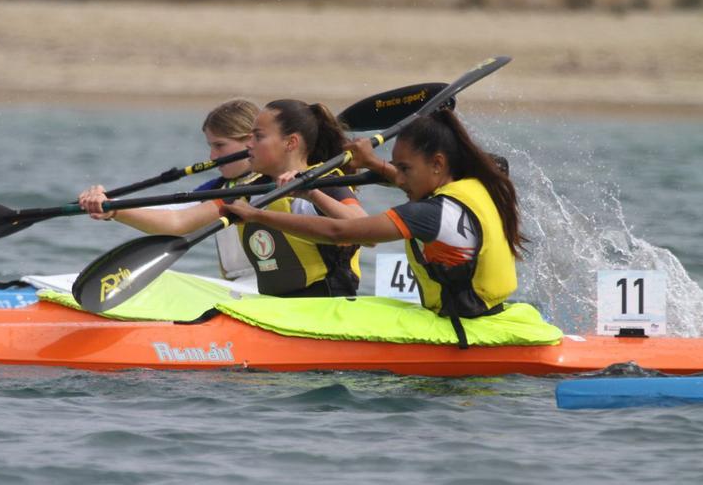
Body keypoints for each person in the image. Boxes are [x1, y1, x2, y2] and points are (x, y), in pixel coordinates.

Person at [221, 108, 525, 347]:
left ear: (438, 164)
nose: (399, 180)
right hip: (486, 316)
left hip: (463, 331)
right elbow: (418, 183)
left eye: (405, 169)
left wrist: (257, 216)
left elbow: (340, 232)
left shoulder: (429, 213)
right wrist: (370, 163)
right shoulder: (478, 184)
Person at [79, 99, 368, 297]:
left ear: (290, 142)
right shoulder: (247, 190)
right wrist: (114, 210)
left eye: (257, 138)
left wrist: (311, 191)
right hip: (276, 311)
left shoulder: (328, 181)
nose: (249, 146)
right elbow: (178, 222)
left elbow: (364, 230)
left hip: (330, 306)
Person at [81, 99, 259, 281]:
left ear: (251, 141)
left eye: (220, 145)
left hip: (268, 295)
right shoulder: (220, 187)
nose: (212, 157)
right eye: (210, 146)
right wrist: (111, 205)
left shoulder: (268, 184)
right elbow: (174, 213)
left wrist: (115, 209)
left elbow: (178, 223)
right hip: (240, 288)